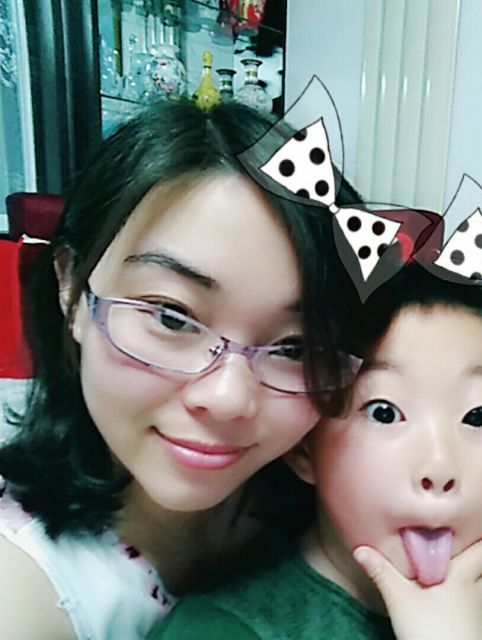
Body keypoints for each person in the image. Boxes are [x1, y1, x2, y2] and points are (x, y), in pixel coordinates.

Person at [0, 99, 368, 640]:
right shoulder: (27, 591)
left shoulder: (334, 510)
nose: (227, 398)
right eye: (172, 317)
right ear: (72, 288)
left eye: (295, 348)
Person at [149, 264, 482, 640]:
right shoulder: (220, 629)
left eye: (478, 416)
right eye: (384, 413)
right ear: (304, 449)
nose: (439, 466)